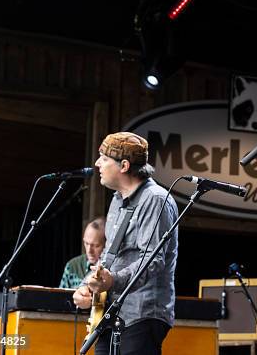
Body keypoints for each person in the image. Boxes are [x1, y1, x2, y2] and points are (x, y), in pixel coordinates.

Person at [73, 132, 179, 355]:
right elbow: (109, 257)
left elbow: (153, 260)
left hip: (143, 314)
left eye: (103, 158)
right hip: (111, 312)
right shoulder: (118, 199)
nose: (97, 163)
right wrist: (87, 286)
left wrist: (113, 280)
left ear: (123, 165)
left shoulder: (155, 199)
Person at [59, 217, 106, 288]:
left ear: (106, 244)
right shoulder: (72, 266)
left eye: (96, 245)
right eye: (86, 243)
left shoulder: (113, 270)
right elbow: (60, 297)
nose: (89, 251)